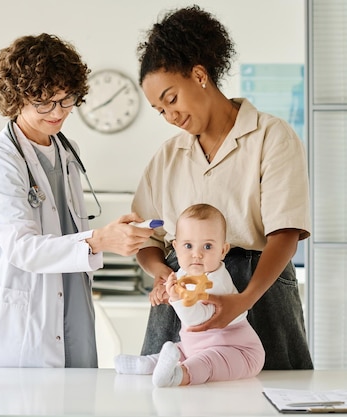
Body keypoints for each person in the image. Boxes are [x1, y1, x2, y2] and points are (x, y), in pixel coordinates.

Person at [133, 5, 313, 370]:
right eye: (159, 110)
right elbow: (146, 238)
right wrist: (165, 274)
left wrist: (243, 299)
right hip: (183, 296)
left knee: (269, 393)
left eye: (171, 99)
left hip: (259, 289)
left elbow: (286, 233)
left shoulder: (270, 136)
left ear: (199, 75)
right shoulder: (167, 157)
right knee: (173, 393)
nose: (170, 116)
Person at [0, 33, 154, 368]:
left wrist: (110, 237)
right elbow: (22, 248)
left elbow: (68, 228)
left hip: (74, 299)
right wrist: (100, 240)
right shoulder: (0, 161)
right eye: (44, 102)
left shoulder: (67, 152)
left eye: (66, 99)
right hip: (27, 315)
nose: (58, 113)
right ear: (15, 98)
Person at [114, 204, 265, 387]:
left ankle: (176, 376)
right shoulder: (183, 274)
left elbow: (197, 320)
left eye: (207, 246)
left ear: (223, 250)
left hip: (238, 351)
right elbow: (173, 290)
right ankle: (144, 364)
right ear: (176, 248)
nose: (197, 254)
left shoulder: (218, 282)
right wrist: (163, 292)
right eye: (188, 246)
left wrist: (176, 299)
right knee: (178, 350)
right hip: (194, 346)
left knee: (208, 362)